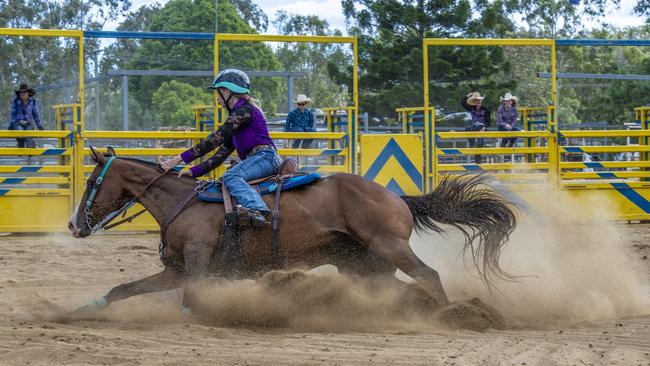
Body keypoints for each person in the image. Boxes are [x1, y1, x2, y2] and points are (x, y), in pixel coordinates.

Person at [160, 69, 281, 227]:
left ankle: (257, 209)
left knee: (231, 177)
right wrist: (194, 171)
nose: (217, 97)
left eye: (218, 93)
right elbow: (219, 156)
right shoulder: (240, 115)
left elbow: (213, 141)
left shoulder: (244, 112)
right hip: (261, 159)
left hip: (265, 158)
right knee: (228, 177)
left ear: (226, 91)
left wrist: (177, 159)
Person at [9, 83, 44, 148]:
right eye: (21, 92)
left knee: (29, 136)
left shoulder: (32, 101)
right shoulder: (16, 101)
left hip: (28, 123)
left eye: (24, 92)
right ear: (19, 94)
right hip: (18, 122)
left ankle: (31, 152)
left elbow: (36, 114)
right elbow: (13, 114)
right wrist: (11, 125)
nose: (22, 93)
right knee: (20, 132)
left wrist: (39, 126)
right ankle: (20, 144)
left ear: (28, 93)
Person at [461, 91, 491, 164]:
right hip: (474, 126)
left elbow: (488, 121)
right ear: (474, 101)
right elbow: (462, 102)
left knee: (480, 143)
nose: (478, 101)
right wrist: (468, 95)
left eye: (479, 100)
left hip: (482, 127)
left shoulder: (486, 109)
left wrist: (484, 128)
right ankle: (472, 144)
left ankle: (478, 159)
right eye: (476, 100)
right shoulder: (471, 108)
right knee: (467, 129)